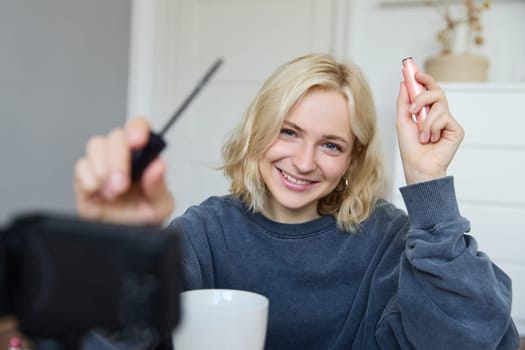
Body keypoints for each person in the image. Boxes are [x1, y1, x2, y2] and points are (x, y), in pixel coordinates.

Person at [74, 53, 519, 349]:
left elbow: (481, 336)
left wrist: (428, 183)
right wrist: (119, 250)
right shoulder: (201, 234)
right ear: (258, 129)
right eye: (289, 132)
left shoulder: (393, 240)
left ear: (352, 159)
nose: (304, 162)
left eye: (331, 145)